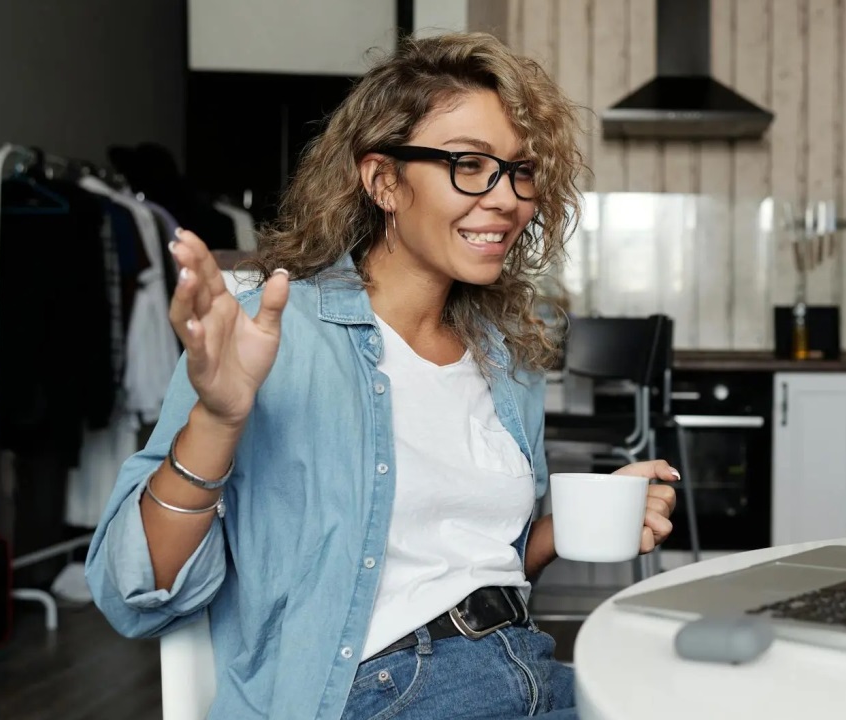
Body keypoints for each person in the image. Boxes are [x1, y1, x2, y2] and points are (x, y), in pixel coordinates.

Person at [85, 32, 679, 720]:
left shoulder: (504, 357)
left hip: (525, 670)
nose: (507, 198)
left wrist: (569, 526)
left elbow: (473, 564)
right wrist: (216, 421)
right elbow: (133, 590)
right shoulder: (267, 336)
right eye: (469, 164)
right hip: (378, 695)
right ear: (383, 180)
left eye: (520, 171)